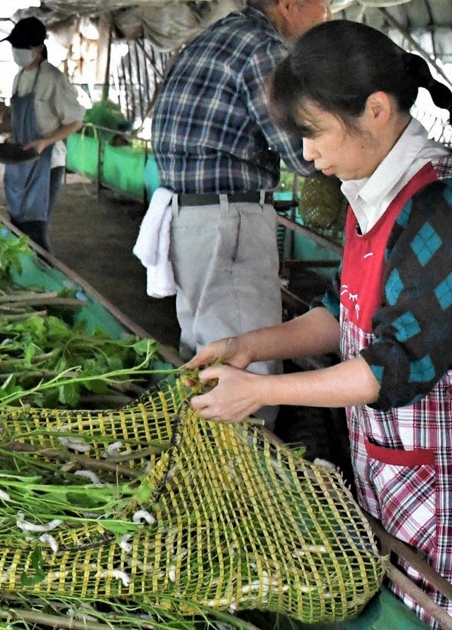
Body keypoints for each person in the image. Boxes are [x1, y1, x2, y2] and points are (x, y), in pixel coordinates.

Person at [188, 20, 452, 629]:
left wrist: (262, 390)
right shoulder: (377, 195)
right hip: (404, 472)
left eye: (313, 133)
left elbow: (393, 365)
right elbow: (344, 315)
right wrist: (247, 347)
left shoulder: (444, 205)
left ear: (377, 110)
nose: (306, 154)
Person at [150, 0, 330, 423]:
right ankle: (244, 476)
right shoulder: (263, 50)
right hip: (228, 223)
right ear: (290, 4)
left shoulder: (211, 38)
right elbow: (303, 151)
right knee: (244, 365)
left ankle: (201, 463)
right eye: (323, 5)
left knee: (206, 355)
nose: (326, 16)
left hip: (189, 218)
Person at [0, 16, 85, 252]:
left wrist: (44, 141)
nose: (17, 52)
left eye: (21, 48)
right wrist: (5, 132)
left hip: (45, 162)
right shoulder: (19, 77)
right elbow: (20, 118)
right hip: (20, 158)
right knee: (17, 223)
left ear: (38, 49)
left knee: (35, 229)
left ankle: (46, 275)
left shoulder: (53, 78)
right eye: (14, 47)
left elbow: (75, 122)